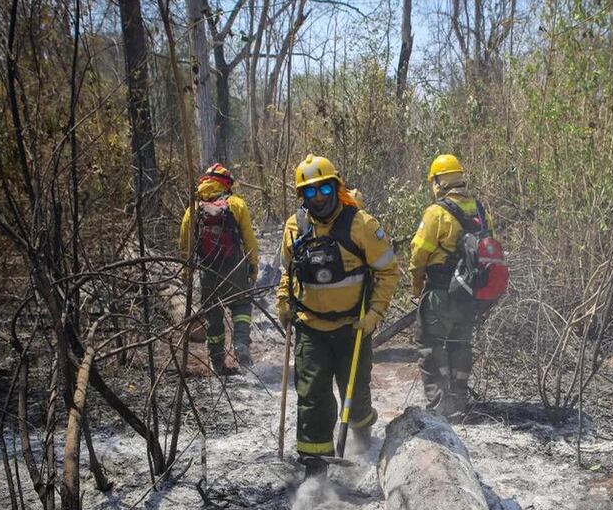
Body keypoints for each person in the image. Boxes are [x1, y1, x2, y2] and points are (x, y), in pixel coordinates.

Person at [277, 154, 398, 480]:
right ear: (302, 195)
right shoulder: (294, 228)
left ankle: (362, 435)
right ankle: (315, 470)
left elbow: (388, 271)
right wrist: (284, 302)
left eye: (324, 189)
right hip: (310, 326)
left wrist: (374, 314)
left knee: (354, 394)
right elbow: (287, 272)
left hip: (352, 328)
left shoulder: (362, 225)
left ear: (336, 187)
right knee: (312, 396)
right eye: (310, 191)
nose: (318, 197)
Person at [408, 154, 495, 418]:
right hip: (469, 294)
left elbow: (418, 255)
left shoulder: (436, 213)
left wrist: (416, 287)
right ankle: (459, 400)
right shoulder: (480, 211)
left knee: (430, 344)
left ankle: (439, 406)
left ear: (437, 181)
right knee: (461, 343)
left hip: (440, 291)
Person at [179, 163, 260, 374]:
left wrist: (187, 275)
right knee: (241, 305)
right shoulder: (236, 204)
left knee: (213, 316)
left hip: (207, 271)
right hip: (235, 267)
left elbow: (185, 247)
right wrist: (253, 266)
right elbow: (249, 239)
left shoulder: (192, 210)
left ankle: (217, 363)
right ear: (226, 184)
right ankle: (241, 342)